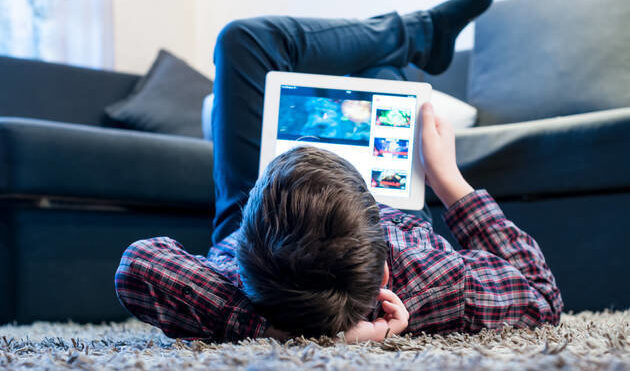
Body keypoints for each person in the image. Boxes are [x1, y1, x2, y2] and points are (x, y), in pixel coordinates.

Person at [115, 0, 563, 343]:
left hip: (259, 246)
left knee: (242, 41)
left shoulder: (234, 278)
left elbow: (139, 265)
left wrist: (277, 330)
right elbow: (543, 299)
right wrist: (449, 180)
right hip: (382, 224)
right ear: (386, 277)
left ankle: (421, 33)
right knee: (384, 73)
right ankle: (421, 33)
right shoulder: (434, 274)